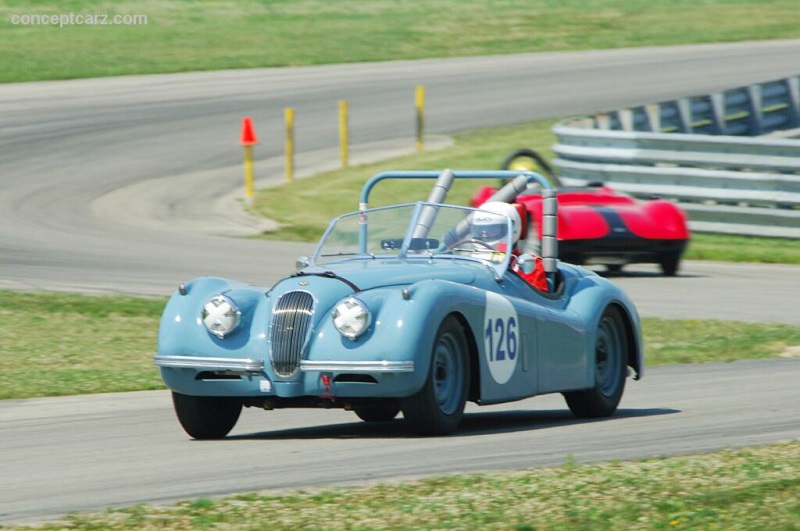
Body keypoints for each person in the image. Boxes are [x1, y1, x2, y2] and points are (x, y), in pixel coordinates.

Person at [472, 202, 547, 291]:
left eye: (492, 230)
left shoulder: (528, 266)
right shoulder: (469, 262)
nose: (484, 235)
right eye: (480, 231)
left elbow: (533, 300)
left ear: (512, 229)